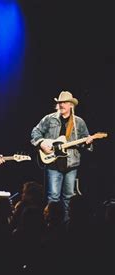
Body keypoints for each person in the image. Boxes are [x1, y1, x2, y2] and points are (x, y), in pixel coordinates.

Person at [31, 90, 93, 220]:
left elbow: (85, 142)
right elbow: (35, 132)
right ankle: (50, 224)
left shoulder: (79, 122)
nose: (61, 105)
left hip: (71, 164)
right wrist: (41, 143)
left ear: (71, 105)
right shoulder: (49, 119)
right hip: (53, 163)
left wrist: (88, 142)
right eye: (59, 102)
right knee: (53, 197)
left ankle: (66, 227)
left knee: (68, 197)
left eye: (64, 102)